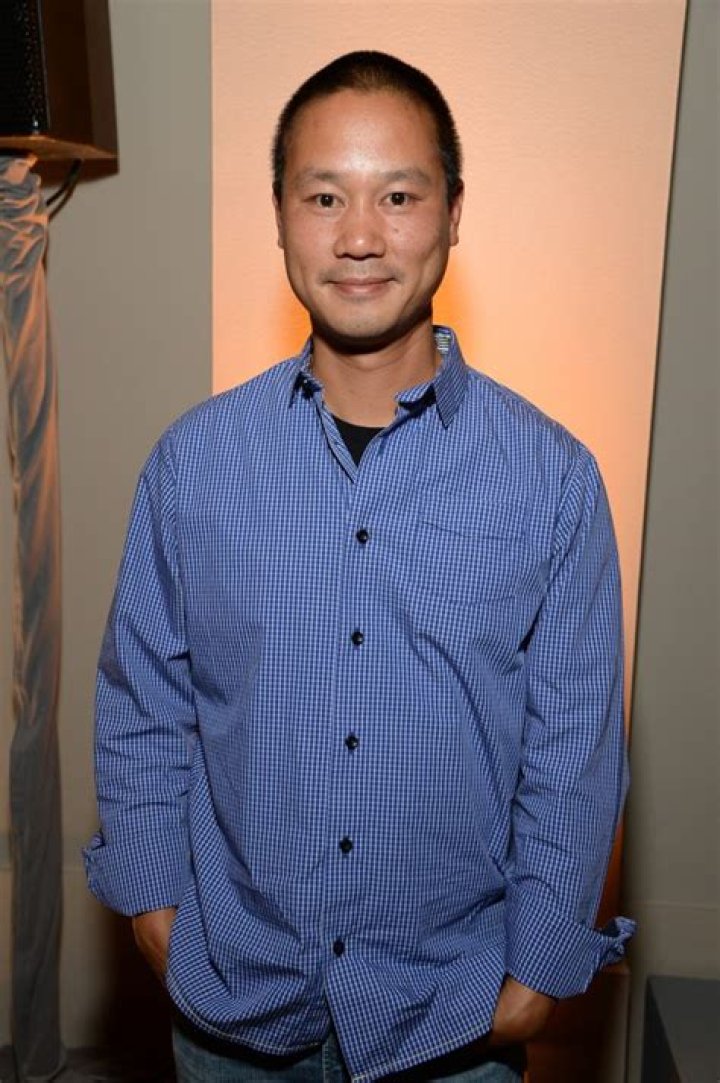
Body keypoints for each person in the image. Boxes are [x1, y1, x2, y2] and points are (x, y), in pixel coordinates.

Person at [85, 50, 634, 1083]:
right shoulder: (196, 464)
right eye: (325, 195)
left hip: (454, 1016)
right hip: (235, 1003)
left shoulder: (551, 478)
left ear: (454, 212)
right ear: (280, 215)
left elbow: (574, 748)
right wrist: (156, 908)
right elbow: (143, 702)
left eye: (399, 196)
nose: (360, 236)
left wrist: (540, 968)